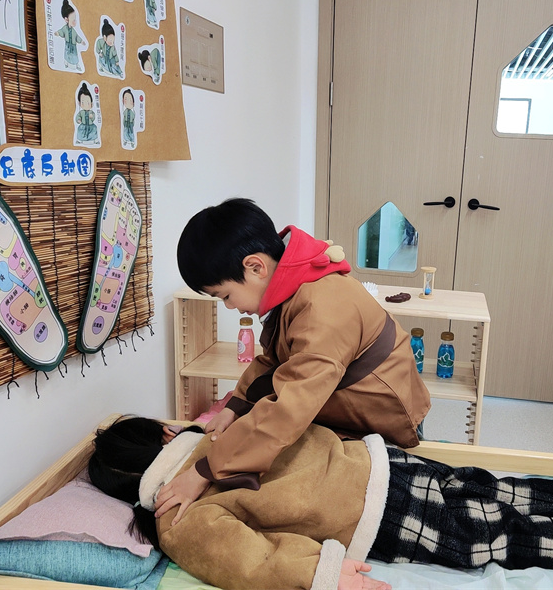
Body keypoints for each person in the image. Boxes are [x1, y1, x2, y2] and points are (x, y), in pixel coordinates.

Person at [88, 416, 553, 590]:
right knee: (493, 489)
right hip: (375, 462)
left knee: (495, 537)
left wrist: (322, 572)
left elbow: (250, 561)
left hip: (378, 517)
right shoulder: (219, 430)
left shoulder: (176, 517)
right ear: (164, 433)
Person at [166, 198, 431, 519]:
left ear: (255, 267)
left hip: (383, 413)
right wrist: (235, 406)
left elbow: (291, 406)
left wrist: (206, 470)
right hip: (347, 403)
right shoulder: (293, 283)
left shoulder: (322, 308)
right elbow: (275, 360)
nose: (230, 306)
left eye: (225, 296)